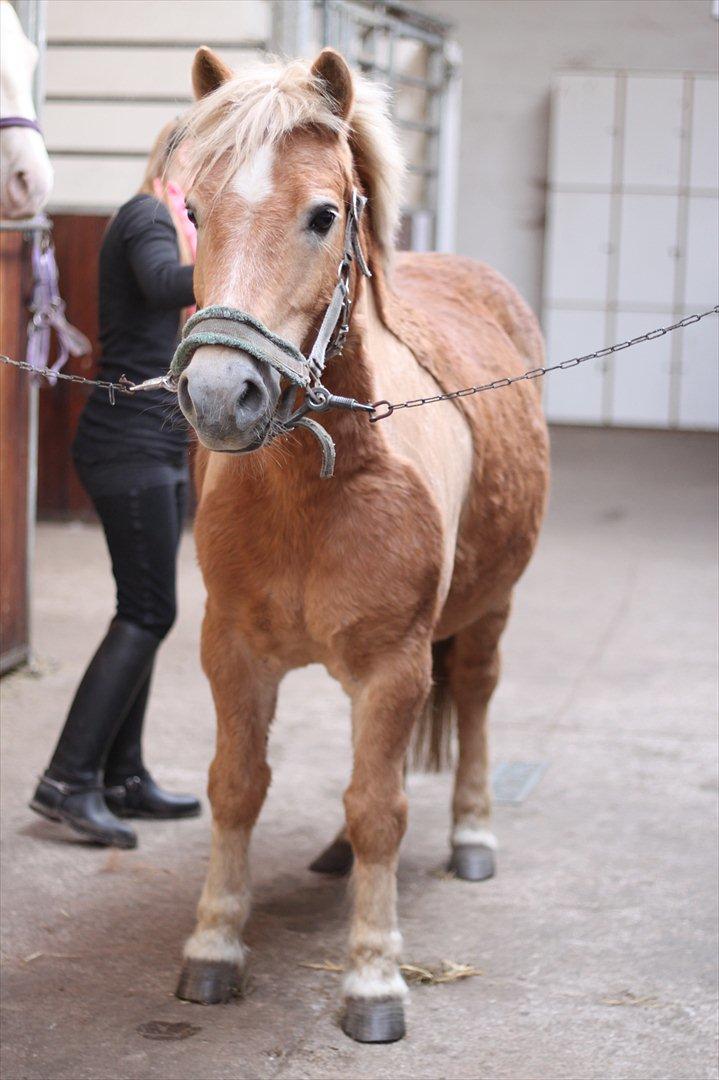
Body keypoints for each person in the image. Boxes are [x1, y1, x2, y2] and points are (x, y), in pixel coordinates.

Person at [30, 121, 200, 849]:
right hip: (124, 442)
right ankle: (67, 781)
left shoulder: (181, 223)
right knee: (146, 613)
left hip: (161, 440)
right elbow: (165, 283)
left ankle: (123, 778)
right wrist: (251, 249)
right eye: (208, 154)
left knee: (149, 611)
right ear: (174, 157)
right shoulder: (144, 217)